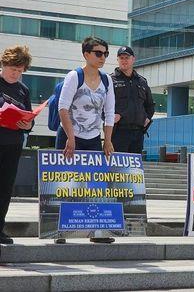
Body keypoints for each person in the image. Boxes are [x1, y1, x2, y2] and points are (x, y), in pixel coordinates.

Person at [55, 37, 115, 244]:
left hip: (92, 138)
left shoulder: (106, 80)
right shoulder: (74, 76)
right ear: (86, 54)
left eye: (105, 54)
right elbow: (62, 107)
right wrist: (70, 137)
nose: (102, 57)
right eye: (98, 53)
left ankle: (97, 233)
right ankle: (60, 232)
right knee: (65, 183)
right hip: (70, 136)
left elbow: (109, 111)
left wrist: (107, 140)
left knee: (95, 185)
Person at [0, 45, 33, 245]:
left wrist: (28, 123)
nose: (16, 74)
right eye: (13, 69)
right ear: (4, 65)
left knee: (5, 188)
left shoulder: (23, 90)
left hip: (13, 144)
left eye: (20, 71)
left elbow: (29, 117)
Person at [111, 46, 155, 153]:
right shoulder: (110, 80)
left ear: (133, 59)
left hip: (138, 133)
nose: (124, 60)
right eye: (121, 58)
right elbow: (101, 104)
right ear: (117, 60)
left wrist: (147, 117)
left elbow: (150, 105)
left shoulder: (142, 81)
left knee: (135, 169)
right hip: (118, 132)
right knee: (118, 167)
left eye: (127, 58)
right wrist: (109, 117)